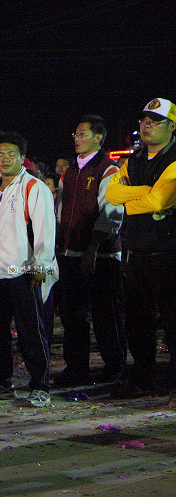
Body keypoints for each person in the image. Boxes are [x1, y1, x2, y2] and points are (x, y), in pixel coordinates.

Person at [0, 133, 58, 408]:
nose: (5, 159)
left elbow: (45, 228)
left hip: (23, 271)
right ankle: (2, 381)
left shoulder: (33, 187)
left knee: (30, 331)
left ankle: (40, 385)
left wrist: (41, 265)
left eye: (11, 154)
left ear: (22, 158)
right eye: (0, 154)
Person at [105, 98, 176, 400]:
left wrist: (133, 200)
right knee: (137, 323)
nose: (146, 125)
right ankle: (143, 378)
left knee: (173, 323)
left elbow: (159, 201)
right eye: (144, 119)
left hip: (169, 255)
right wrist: (146, 193)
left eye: (155, 120)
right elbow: (110, 192)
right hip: (135, 254)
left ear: (172, 126)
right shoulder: (131, 159)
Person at [54, 115, 126, 387]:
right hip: (71, 255)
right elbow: (61, 214)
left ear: (99, 137)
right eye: (75, 133)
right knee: (73, 316)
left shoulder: (108, 169)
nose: (76, 138)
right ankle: (76, 368)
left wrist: (93, 248)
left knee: (106, 314)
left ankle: (115, 366)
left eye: (82, 133)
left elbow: (112, 213)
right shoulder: (69, 172)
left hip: (102, 256)